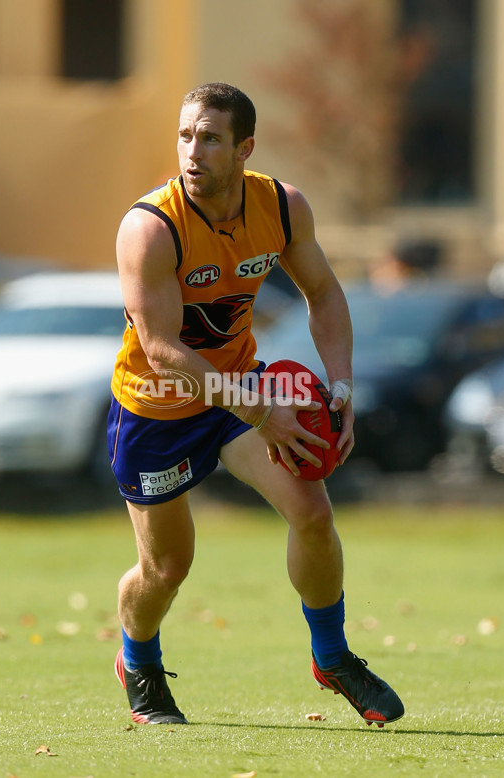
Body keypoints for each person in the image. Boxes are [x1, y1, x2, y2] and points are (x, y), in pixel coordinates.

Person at [108, 83, 404, 727]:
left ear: (244, 148)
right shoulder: (150, 227)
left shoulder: (283, 206)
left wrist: (342, 387)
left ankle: (332, 656)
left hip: (237, 390)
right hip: (157, 406)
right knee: (165, 569)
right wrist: (258, 411)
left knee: (314, 512)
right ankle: (138, 659)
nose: (193, 151)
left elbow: (322, 294)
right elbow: (160, 349)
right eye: (185, 136)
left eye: (210, 138)